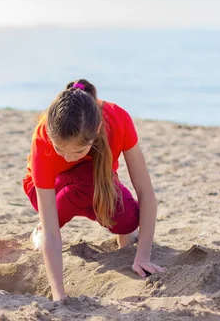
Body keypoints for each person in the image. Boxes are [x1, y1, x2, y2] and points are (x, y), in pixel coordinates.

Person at [23, 79, 165, 301]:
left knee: (128, 220)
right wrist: (58, 295)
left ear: (97, 131)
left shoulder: (117, 118)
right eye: (60, 150)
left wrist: (143, 256)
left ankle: (125, 234)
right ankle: (38, 226)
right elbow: (53, 232)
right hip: (50, 190)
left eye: (78, 151)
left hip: (97, 182)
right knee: (86, 183)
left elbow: (146, 192)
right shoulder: (43, 138)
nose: (68, 157)